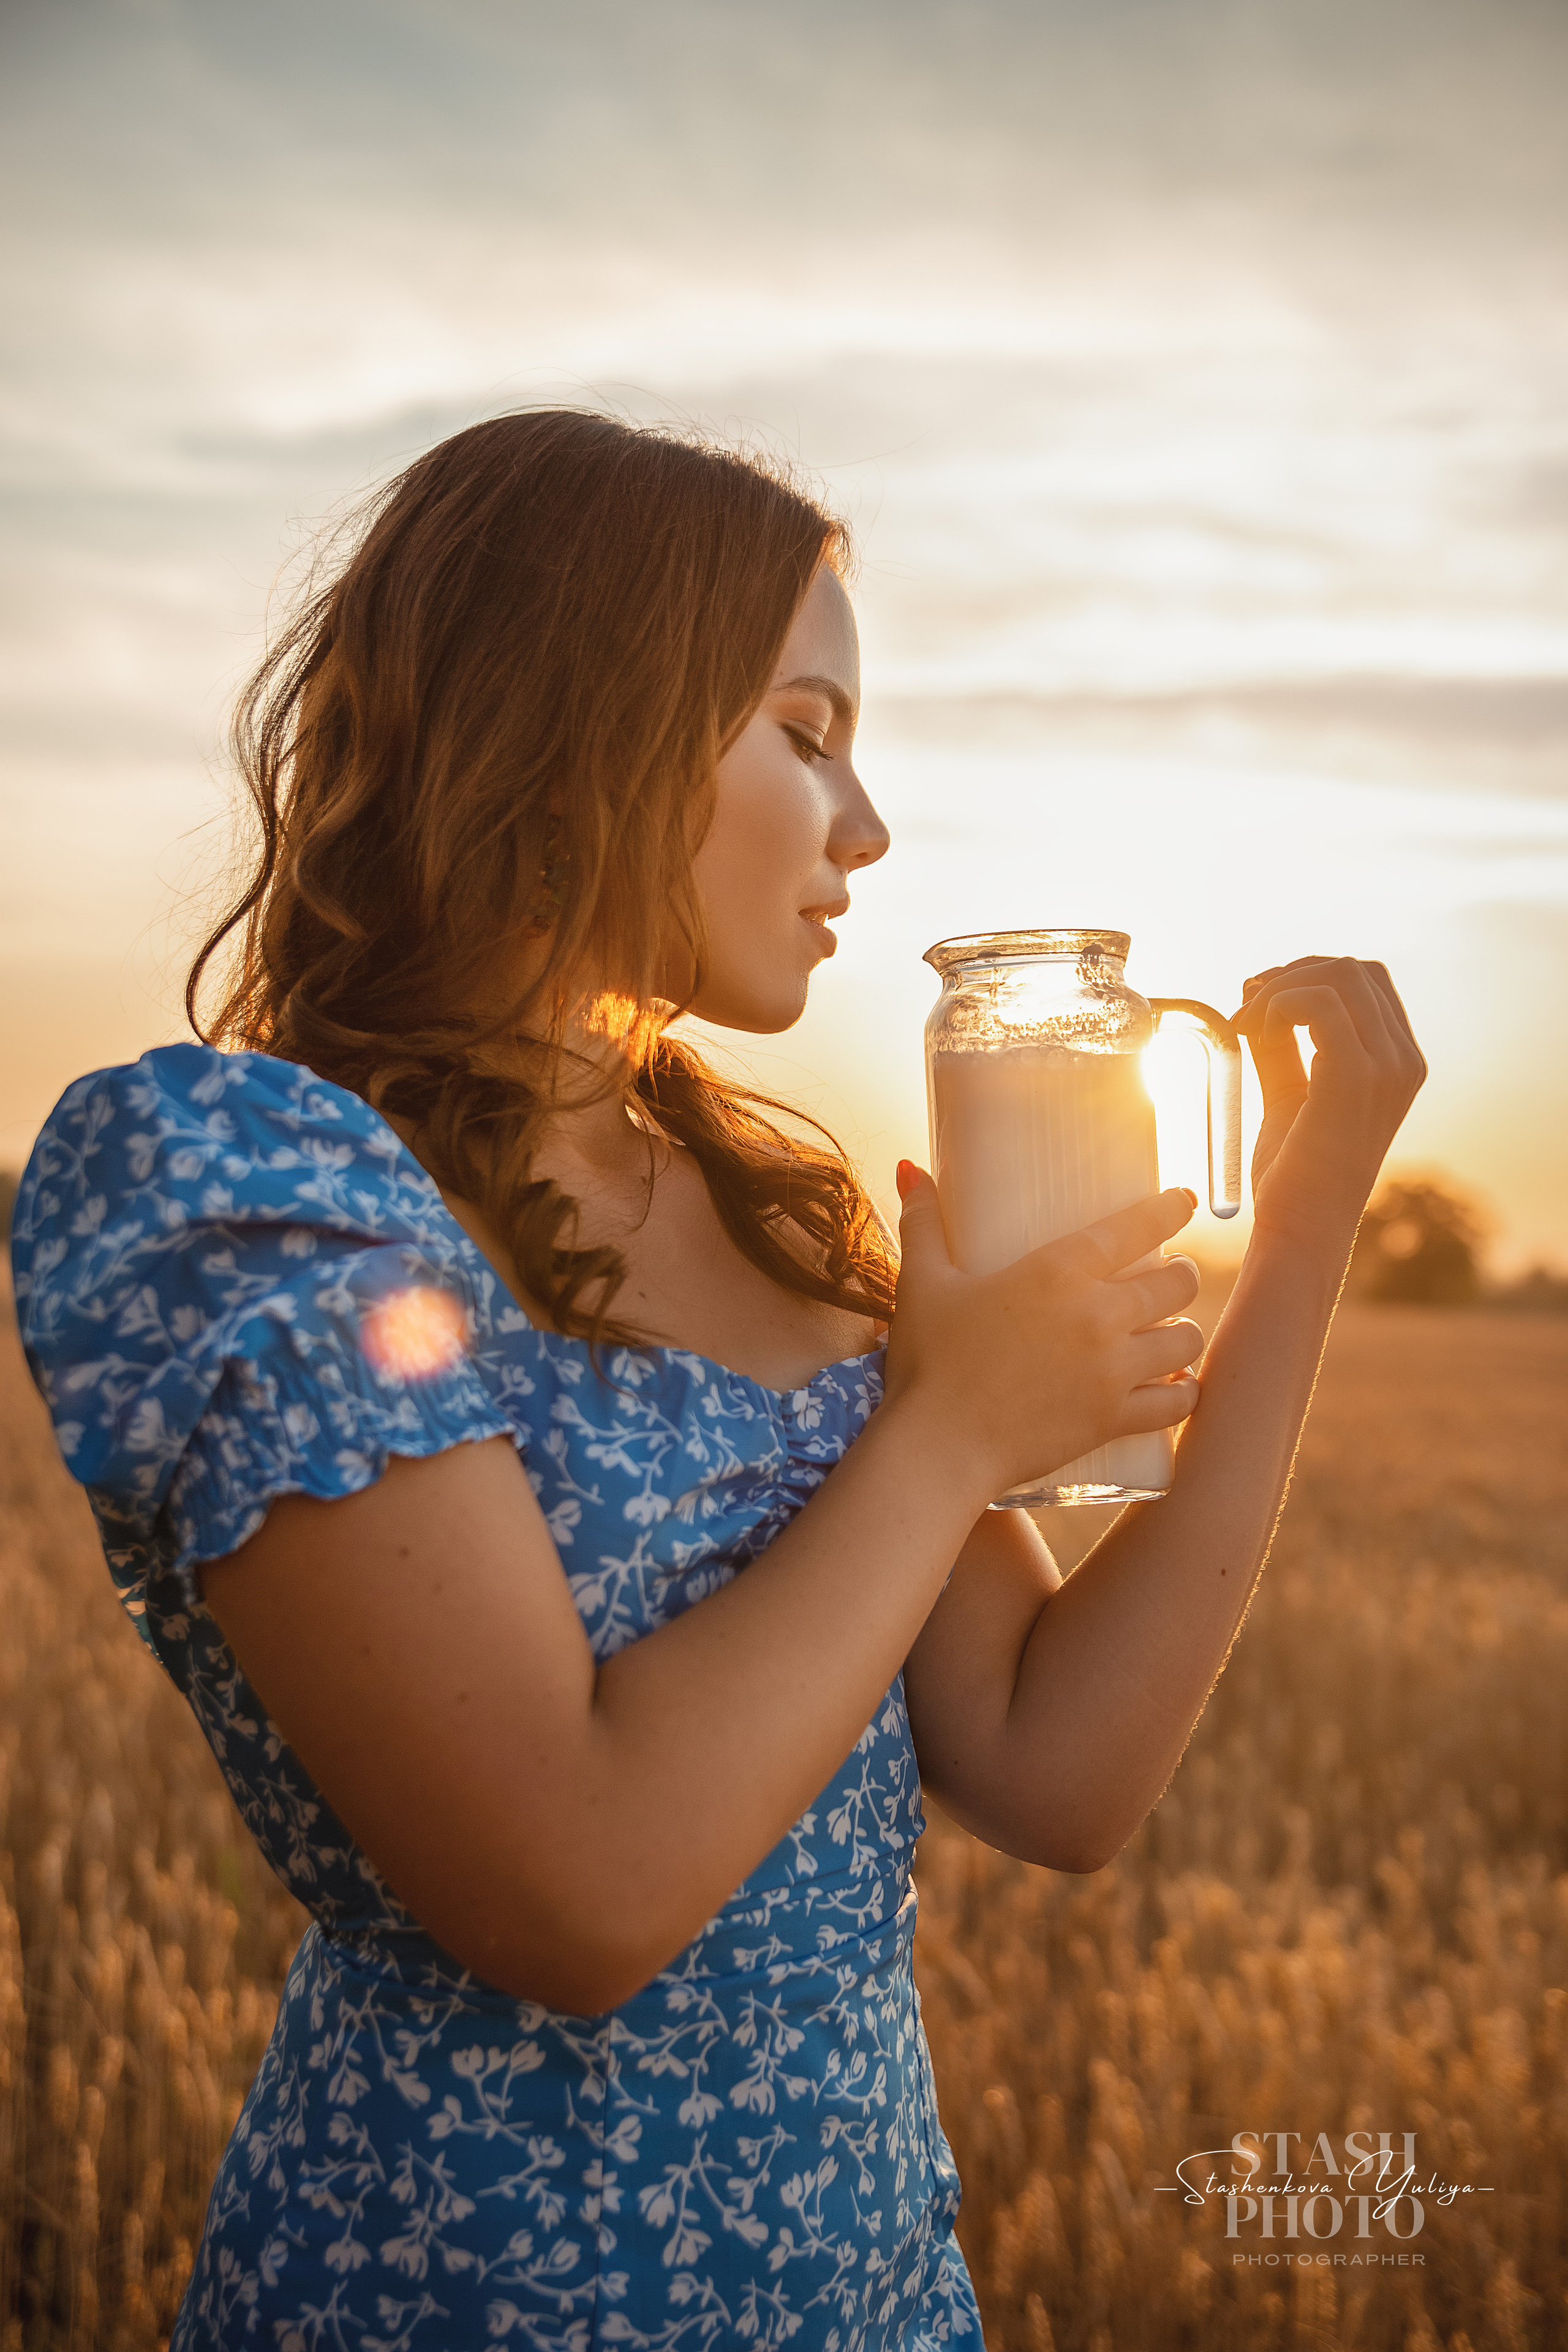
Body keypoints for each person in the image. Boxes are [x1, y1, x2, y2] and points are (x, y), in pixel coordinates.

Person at [11, 410, 1425, 2351]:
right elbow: (575, 1891)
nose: (868, 827)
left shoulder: (770, 1208)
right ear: (586, 719)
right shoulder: (247, 1180)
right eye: (808, 732)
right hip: (462, 2308)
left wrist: (1310, 1228)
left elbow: (1057, 1765)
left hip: (876, 2302)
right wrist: (947, 1438)